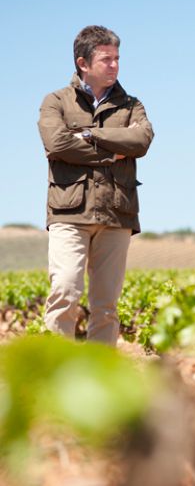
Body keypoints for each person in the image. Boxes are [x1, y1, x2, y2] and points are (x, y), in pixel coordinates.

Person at [38, 25, 154, 345]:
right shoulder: (56, 101)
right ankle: (56, 374)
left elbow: (141, 140)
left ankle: (99, 380)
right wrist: (112, 153)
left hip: (117, 213)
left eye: (117, 58)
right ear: (83, 63)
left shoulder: (132, 105)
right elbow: (57, 144)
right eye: (106, 59)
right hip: (69, 212)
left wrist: (91, 135)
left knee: (106, 307)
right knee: (64, 291)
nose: (115, 65)